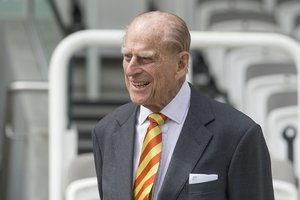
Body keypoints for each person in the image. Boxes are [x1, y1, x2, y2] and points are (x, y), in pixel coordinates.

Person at [92, 11, 275, 200]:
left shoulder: (238, 135)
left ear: (181, 64)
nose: (131, 70)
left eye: (145, 59)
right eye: (127, 57)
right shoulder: (106, 132)